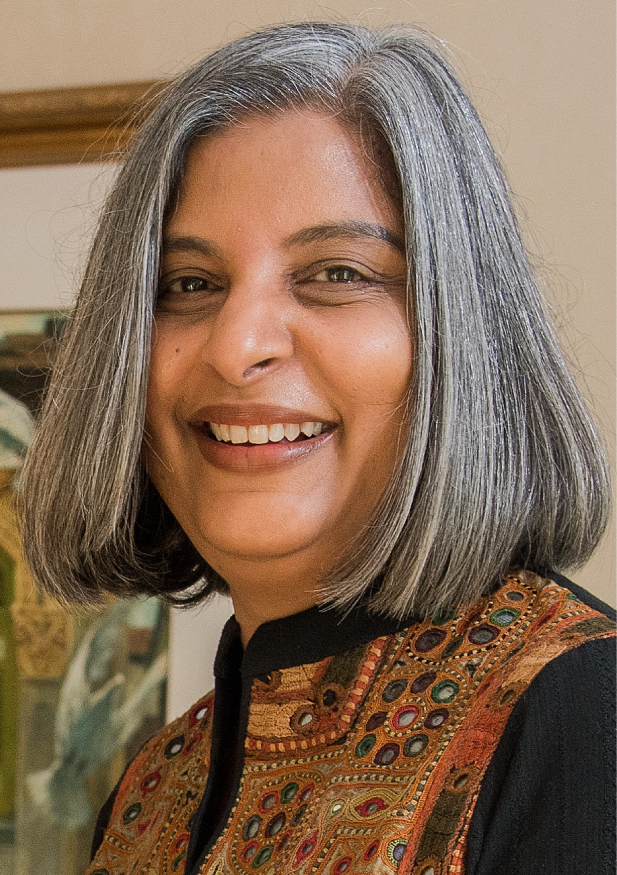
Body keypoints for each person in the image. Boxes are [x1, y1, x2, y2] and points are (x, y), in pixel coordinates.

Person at [21, 21, 615, 875]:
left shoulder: (579, 712)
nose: (237, 346)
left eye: (336, 273)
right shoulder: (152, 788)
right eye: (189, 284)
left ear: (460, 336)